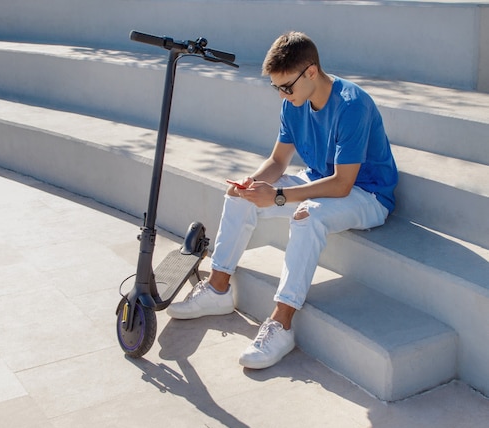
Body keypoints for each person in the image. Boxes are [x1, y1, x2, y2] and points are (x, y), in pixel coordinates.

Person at [167, 31, 398, 370]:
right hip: (321, 179)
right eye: (276, 88)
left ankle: (281, 323)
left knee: (307, 215)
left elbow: (343, 184)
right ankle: (217, 290)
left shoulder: (352, 106)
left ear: (311, 72)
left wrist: (276, 196)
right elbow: (277, 162)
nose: (282, 95)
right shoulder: (294, 104)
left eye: (286, 87)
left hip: (367, 193)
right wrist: (254, 184)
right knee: (239, 197)